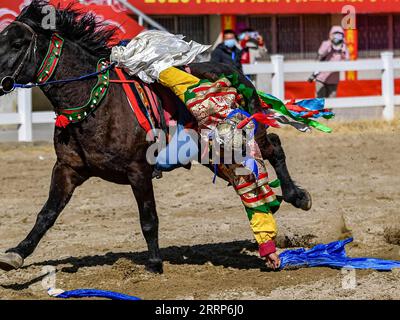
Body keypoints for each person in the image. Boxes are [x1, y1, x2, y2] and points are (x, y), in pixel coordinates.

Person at [111, 30, 281, 269]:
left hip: (197, 138)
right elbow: (166, 73)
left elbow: (254, 201)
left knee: (162, 162)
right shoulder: (197, 91)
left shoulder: (247, 163)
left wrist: (267, 247)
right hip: (196, 132)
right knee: (164, 160)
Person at [308, 26, 349, 98]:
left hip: (334, 79)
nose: (337, 37)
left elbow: (347, 60)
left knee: (331, 101)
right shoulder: (326, 43)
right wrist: (330, 43)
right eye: (335, 34)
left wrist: (343, 48)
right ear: (331, 35)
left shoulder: (343, 47)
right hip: (321, 78)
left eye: (340, 35)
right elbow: (320, 53)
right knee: (320, 100)